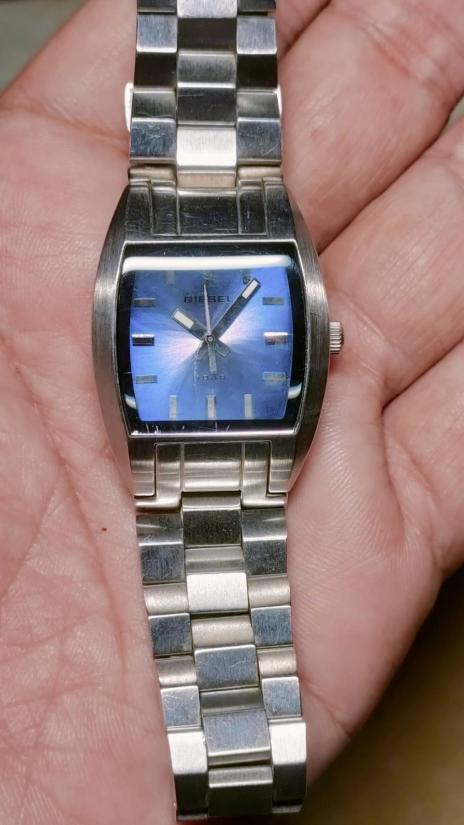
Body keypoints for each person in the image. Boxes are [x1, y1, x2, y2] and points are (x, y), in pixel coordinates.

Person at [0, 0, 463, 821]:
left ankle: (233, 770)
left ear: (318, 332)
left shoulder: (256, 234)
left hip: (229, 449)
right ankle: (228, 770)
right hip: (183, 451)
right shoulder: (188, 231)